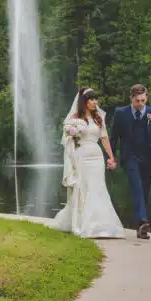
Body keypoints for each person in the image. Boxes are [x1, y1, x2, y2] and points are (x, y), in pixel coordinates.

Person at [50, 86, 125, 239]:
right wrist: (74, 131)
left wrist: (111, 157)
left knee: (98, 187)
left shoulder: (99, 118)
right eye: (91, 99)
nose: (94, 102)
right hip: (81, 156)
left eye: (95, 99)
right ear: (84, 102)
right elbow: (69, 139)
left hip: (97, 156)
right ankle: (83, 223)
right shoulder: (75, 119)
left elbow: (104, 138)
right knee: (84, 187)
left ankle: (102, 224)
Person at [110, 83, 151, 240]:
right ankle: (143, 220)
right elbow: (114, 137)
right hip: (130, 156)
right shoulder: (121, 113)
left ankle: (140, 227)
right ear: (131, 99)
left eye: (143, 100)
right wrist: (111, 156)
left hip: (149, 157)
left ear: (146, 98)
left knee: (145, 189)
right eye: (137, 101)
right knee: (137, 187)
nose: (141, 104)